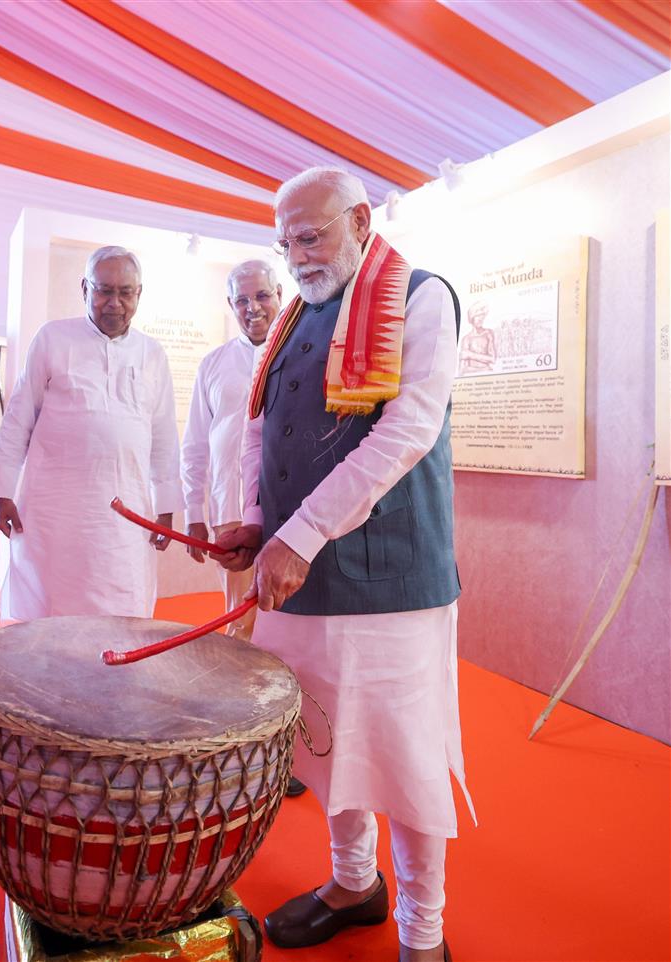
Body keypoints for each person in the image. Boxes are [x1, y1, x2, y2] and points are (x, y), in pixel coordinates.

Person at [217, 167, 473, 962]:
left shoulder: (421, 295)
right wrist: (260, 525)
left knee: (403, 754)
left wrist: (300, 534)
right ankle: (354, 883)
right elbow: (263, 428)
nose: (297, 256)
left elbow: (407, 432)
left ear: (360, 219)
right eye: (286, 240)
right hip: (300, 574)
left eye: (312, 235)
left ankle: (423, 933)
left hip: (389, 576)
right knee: (327, 742)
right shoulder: (295, 316)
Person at [0, 246, 183, 620]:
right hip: (54, 513)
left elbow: (163, 435)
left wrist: (167, 505)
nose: (115, 303)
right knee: (52, 613)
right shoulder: (52, 339)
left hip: (125, 517)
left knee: (122, 612)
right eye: (104, 290)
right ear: (84, 289)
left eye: (125, 292)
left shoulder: (152, 353)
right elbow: (18, 420)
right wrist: (4, 492)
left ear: (139, 294)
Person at [181, 260, 282, 642]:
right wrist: (194, 511)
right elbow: (194, 444)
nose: (252, 307)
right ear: (230, 304)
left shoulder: (302, 357)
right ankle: (243, 699)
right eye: (242, 300)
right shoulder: (213, 364)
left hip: (288, 510)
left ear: (279, 296)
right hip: (230, 512)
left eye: (261, 296)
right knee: (240, 620)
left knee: (287, 618)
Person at [458, 300, 496, 375]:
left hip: (487, 373)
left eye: (482, 316)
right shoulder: (466, 339)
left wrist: (470, 355)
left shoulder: (488, 334)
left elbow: (492, 359)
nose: (480, 319)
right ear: (471, 318)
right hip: (472, 376)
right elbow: (461, 369)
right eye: (477, 316)